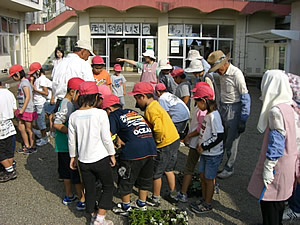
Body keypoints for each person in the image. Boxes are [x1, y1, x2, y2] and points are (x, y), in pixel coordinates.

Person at [247, 70, 299, 225]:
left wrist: (269, 166)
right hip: (290, 162)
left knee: (269, 202)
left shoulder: (276, 111)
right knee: (279, 202)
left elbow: (277, 142)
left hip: (278, 165)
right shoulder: (292, 106)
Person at [68, 81, 115, 225]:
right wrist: (111, 154)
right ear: (95, 97)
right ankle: (100, 219)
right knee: (108, 186)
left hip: (84, 159)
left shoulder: (74, 116)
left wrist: (72, 157)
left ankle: (93, 215)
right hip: (100, 157)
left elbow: (71, 140)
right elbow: (106, 137)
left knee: (90, 188)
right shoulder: (100, 114)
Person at [102, 94, 157, 216]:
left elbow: (108, 135)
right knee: (145, 177)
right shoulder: (132, 111)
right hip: (150, 147)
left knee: (125, 178)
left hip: (133, 151)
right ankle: (141, 204)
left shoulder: (113, 116)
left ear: (109, 109)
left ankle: (126, 207)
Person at [128, 82, 180, 207]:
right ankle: (173, 193)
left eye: (136, 99)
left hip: (164, 143)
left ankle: (155, 198)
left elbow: (158, 129)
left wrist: (154, 143)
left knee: (156, 173)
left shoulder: (150, 110)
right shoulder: (156, 103)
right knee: (168, 169)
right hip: (174, 139)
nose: (136, 103)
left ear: (142, 96)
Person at [207, 50, 251, 179]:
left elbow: (245, 96)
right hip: (224, 107)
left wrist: (243, 118)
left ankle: (229, 167)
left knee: (232, 140)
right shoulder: (221, 74)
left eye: (218, 68)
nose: (217, 71)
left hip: (235, 108)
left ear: (225, 63)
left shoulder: (236, 74)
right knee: (223, 136)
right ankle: (221, 162)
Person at [188, 85, 224, 213]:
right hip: (205, 152)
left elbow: (219, 135)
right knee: (203, 176)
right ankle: (204, 198)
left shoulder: (214, 116)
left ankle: (208, 203)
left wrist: (203, 146)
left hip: (212, 154)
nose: (196, 105)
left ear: (204, 101)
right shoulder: (208, 114)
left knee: (209, 179)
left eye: (197, 102)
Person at [54, 77, 86, 211]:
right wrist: (72, 132)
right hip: (66, 144)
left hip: (62, 144)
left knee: (65, 171)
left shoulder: (66, 102)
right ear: (73, 91)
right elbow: (57, 123)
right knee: (73, 171)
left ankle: (69, 195)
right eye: (79, 93)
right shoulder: (67, 104)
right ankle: (81, 199)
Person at [176, 82, 209, 203]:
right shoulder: (201, 108)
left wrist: (188, 136)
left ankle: (183, 193)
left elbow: (199, 129)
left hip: (197, 143)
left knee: (190, 168)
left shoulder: (201, 111)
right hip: (202, 144)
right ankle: (209, 191)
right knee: (206, 169)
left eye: (196, 94)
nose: (194, 95)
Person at [51, 40, 95, 112]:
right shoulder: (83, 64)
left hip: (59, 102)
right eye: (88, 54)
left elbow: (54, 84)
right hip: (75, 103)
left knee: (58, 122)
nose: (88, 58)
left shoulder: (59, 64)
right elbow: (90, 86)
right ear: (83, 51)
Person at [9, 65, 37, 154]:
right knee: (21, 128)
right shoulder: (22, 83)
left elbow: (28, 96)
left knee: (29, 128)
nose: (13, 78)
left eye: (13, 75)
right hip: (22, 109)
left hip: (27, 109)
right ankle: (27, 145)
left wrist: (22, 109)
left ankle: (32, 146)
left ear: (18, 73)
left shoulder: (25, 83)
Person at [29, 62, 52, 146]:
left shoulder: (42, 79)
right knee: (39, 121)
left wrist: (36, 90)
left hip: (40, 103)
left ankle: (44, 138)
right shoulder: (39, 79)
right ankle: (43, 136)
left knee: (40, 121)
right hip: (37, 102)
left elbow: (45, 92)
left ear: (38, 71)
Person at [0, 84, 17, 182]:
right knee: (9, 149)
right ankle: (9, 168)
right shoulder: (9, 93)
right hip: (9, 125)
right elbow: (14, 108)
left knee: (1, 151)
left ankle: (10, 171)